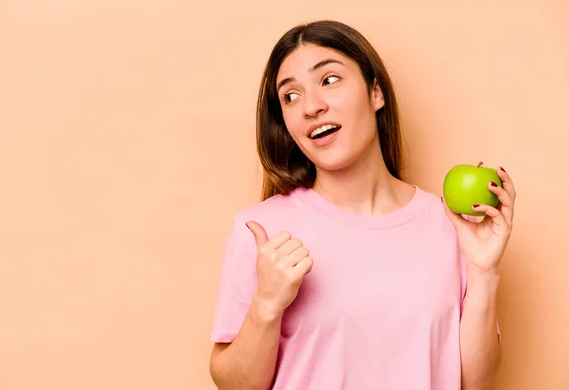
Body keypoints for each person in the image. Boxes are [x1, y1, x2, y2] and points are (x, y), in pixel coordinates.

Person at [208, 20, 515, 390]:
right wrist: (267, 305)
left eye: (329, 80)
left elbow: (475, 383)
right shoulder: (260, 232)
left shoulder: (451, 225)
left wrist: (483, 273)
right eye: (290, 96)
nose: (311, 107)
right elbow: (233, 385)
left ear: (376, 93)